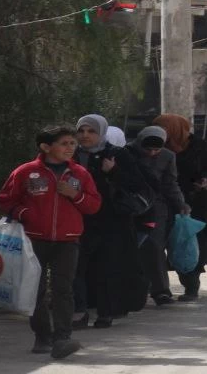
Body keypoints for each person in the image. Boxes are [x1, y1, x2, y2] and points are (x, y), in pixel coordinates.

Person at [0, 125, 100, 359]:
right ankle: (42, 336)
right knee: (36, 289)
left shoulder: (80, 174)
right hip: (34, 239)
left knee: (64, 289)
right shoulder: (25, 172)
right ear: (45, 146)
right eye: (64, 143)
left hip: (68, 240)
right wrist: (25, 214)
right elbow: (5, 200)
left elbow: (94, 205)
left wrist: (75, 195)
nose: (70, 148)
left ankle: (63, 338)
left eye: (72, 143)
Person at [72, 114, 150, 329]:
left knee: (107, 268)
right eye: (81, 131)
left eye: (91, 131)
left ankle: (106, 312)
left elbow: (138, 185)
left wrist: (113, 171)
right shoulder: (72, 155)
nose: (85, 135)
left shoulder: (116, 154)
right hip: (79, 220)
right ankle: (79, 311)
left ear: (102, 133)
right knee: (76, 267)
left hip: (112, 221)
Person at [158, 113, 207, 301]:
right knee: (171, 242)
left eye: (165, 128)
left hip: (198, 201)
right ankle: (161, 287)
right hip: (169, 200)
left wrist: (205, 180)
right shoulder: (157, 147)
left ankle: (191, 285)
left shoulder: (199, 146)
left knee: (196, 242)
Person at [128, 125, 188, 306]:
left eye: (156, 149)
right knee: (130, 247)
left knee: (154, 246)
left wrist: (181, 204)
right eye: (148, 149)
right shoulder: (127, 152)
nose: (152, 153)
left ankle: (160, 291)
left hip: (156, 207)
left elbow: (170, 183)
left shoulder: (168, 156)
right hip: (130, 205)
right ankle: (132, 290)